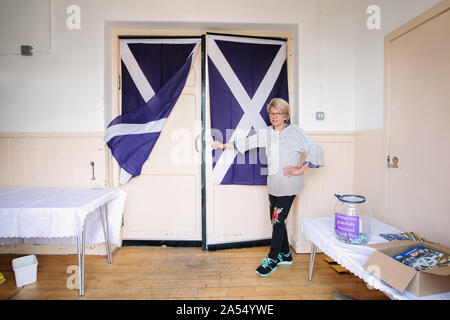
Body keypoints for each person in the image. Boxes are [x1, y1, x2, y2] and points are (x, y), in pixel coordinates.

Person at [213, 98, 323, 277]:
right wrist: (222, 145)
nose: (274, 116)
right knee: (276, 220)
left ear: (286, 115)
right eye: (272, 113)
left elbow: (315, 147)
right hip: (274, 184)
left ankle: (272, 258)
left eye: (278, 113)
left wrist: (300, 168)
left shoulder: (295, 132)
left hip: (289, 184)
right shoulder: (267, 133)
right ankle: (286, 255)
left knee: (278, 220)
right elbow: (247, 143)